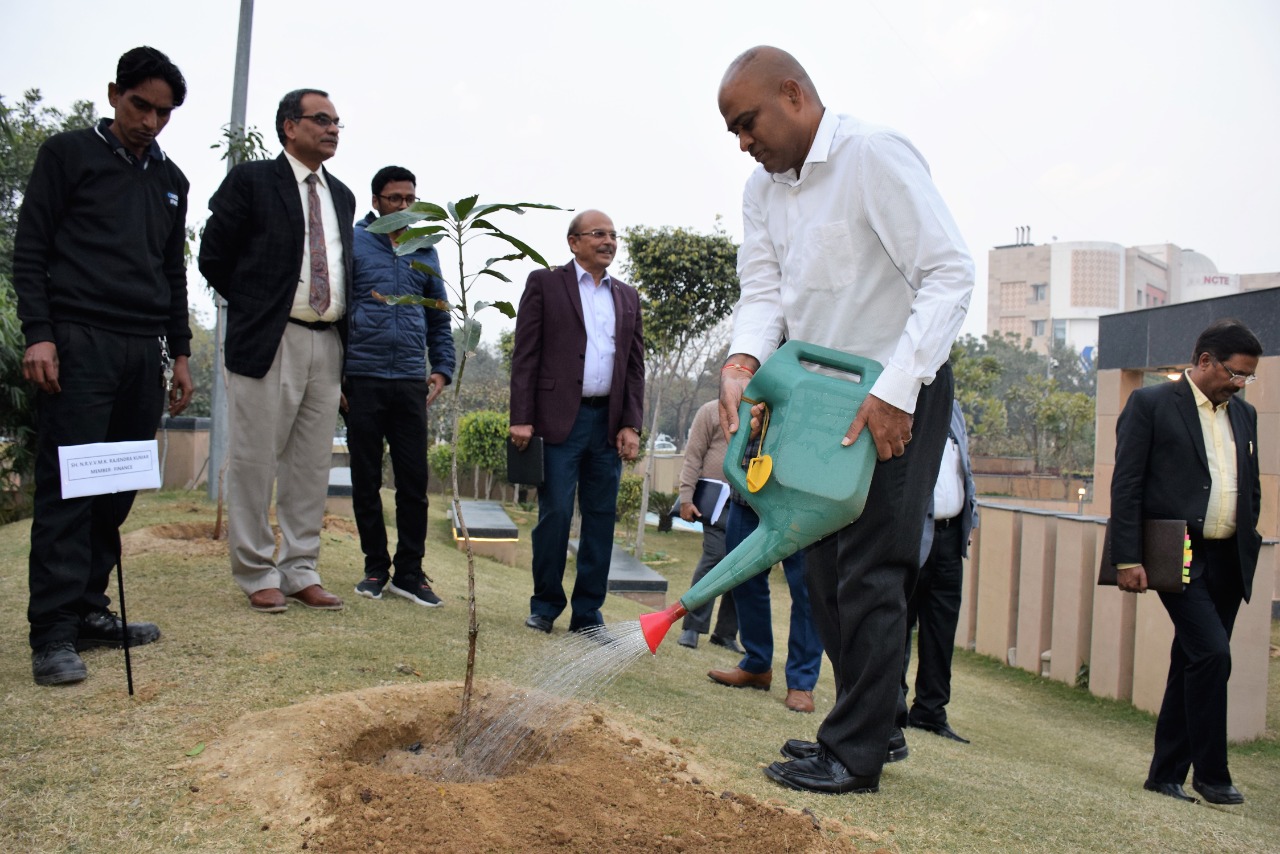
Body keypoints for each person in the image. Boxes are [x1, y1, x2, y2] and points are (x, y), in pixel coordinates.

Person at [716, 46, 974, 794]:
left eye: (748, 123)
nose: (744, 142)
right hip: (814, 396)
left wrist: (897, 390)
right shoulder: (761, 191)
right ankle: (876, 722)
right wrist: (743, 361)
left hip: (896, 388)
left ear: (793, 95)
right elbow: (763, 290)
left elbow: (949, 273)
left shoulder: (872, 156)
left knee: (872, 568)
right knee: (822, 569)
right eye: (734, 131)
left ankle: (853, 753)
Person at [15, 46, 194, 686]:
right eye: (140, 105)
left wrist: (181, 353)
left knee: (115, 490)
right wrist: (40, 335)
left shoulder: (172, 180)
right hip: (77, 342)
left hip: (142, 350)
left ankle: (91, 610)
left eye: (163, 113)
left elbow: (171, 271)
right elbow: (31, 248)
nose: (149, 122)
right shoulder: (67, 155)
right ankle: (53, 633)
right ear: (115, 93)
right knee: (69, 487)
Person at [199, 88, 356, 614]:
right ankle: (255, 571)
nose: (332, 129)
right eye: (321, 119)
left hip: (327, 342)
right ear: (289, 126)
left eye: (337, 122)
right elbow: (213, 256)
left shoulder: (342, 196)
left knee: (311, 465)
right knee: (254, 459)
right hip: (269, 338)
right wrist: (257, 305)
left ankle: (300, 569)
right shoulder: (251, 181)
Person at [1112, 319, 1263, 806]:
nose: (1240, 384)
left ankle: (1165, 775)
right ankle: (1212, 775)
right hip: (1179, 553)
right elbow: (1127, 484)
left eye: (1248, 376)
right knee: (1213, 655)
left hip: (1229, 558)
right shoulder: (1151, 404)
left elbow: (1250, 485)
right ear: (1204, 361)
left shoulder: (1245, 415)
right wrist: (1127, 557)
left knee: (1193, 660)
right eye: (1235, 373)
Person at [508, 210, 645, 635]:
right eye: (598, 234)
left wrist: (631, 423)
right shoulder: (545, 283)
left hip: (607, 425)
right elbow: (525, 354)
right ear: (574, 242)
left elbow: (634, 366)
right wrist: (521, 418)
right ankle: (545, 606)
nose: (609, 241)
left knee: (601, 518)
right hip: (557, 423)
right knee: (555, 514)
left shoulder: (627, 296)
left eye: (613, 235)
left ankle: (588, 614)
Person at [344, 166, 455, 608]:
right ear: (376, 202)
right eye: (395, 199)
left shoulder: (424, 248)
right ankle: (376, 567)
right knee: (365, 479)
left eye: (410, 199)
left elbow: (438, 315)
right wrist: (337, 376)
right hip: (362, 377)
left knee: (413, 481)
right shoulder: (354, 243)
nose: (404, 206)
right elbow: (338, 309)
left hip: (410, 380)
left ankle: (409, 573)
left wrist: (441, 368)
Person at [901, 399, 977, 743]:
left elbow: (964, 468)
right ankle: (890, 707)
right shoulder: (901, 399)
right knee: (899, 623)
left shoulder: (952, 408)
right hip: (913, 535)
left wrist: (972, 517)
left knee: (941, 629)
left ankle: (930, 711)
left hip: (950, 538)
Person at [707, 496, 824, 714]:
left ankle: (801, 682)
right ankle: (757, 664)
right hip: (748, 495)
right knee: (742, 576)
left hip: (804, 501)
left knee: (807, 591)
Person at [675, 399, 741, 652]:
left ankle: (725, 633)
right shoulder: (711, 410)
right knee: (715, 556)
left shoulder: (766, 411)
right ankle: (692, 626)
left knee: (743, 565)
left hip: (749, 500)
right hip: (715, 500)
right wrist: (686, 497)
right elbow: (693, 455)